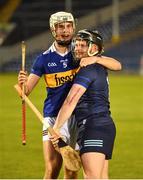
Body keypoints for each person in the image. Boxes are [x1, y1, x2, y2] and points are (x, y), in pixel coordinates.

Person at [18, 11, 121, 179]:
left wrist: (97, 59)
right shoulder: (43, 59)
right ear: (53, 30)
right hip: (53, 116)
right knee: (52, 168)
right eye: (60, 27)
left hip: (76, 116)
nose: (65, 30)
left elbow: (116, 65)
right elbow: (25, 92)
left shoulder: (80, 50)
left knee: (72, 169)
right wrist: (23, 83)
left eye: (68, 26)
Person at [52, 29, 118, 179]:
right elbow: (118, 65)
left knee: (91, 177)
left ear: (93, 49)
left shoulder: (88, 69)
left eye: (82, 45)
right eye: (77, 45)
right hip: (103, 125)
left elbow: (70, 101)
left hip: (93, 125)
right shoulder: (98, 65)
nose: (77, 48)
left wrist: (56, 128)